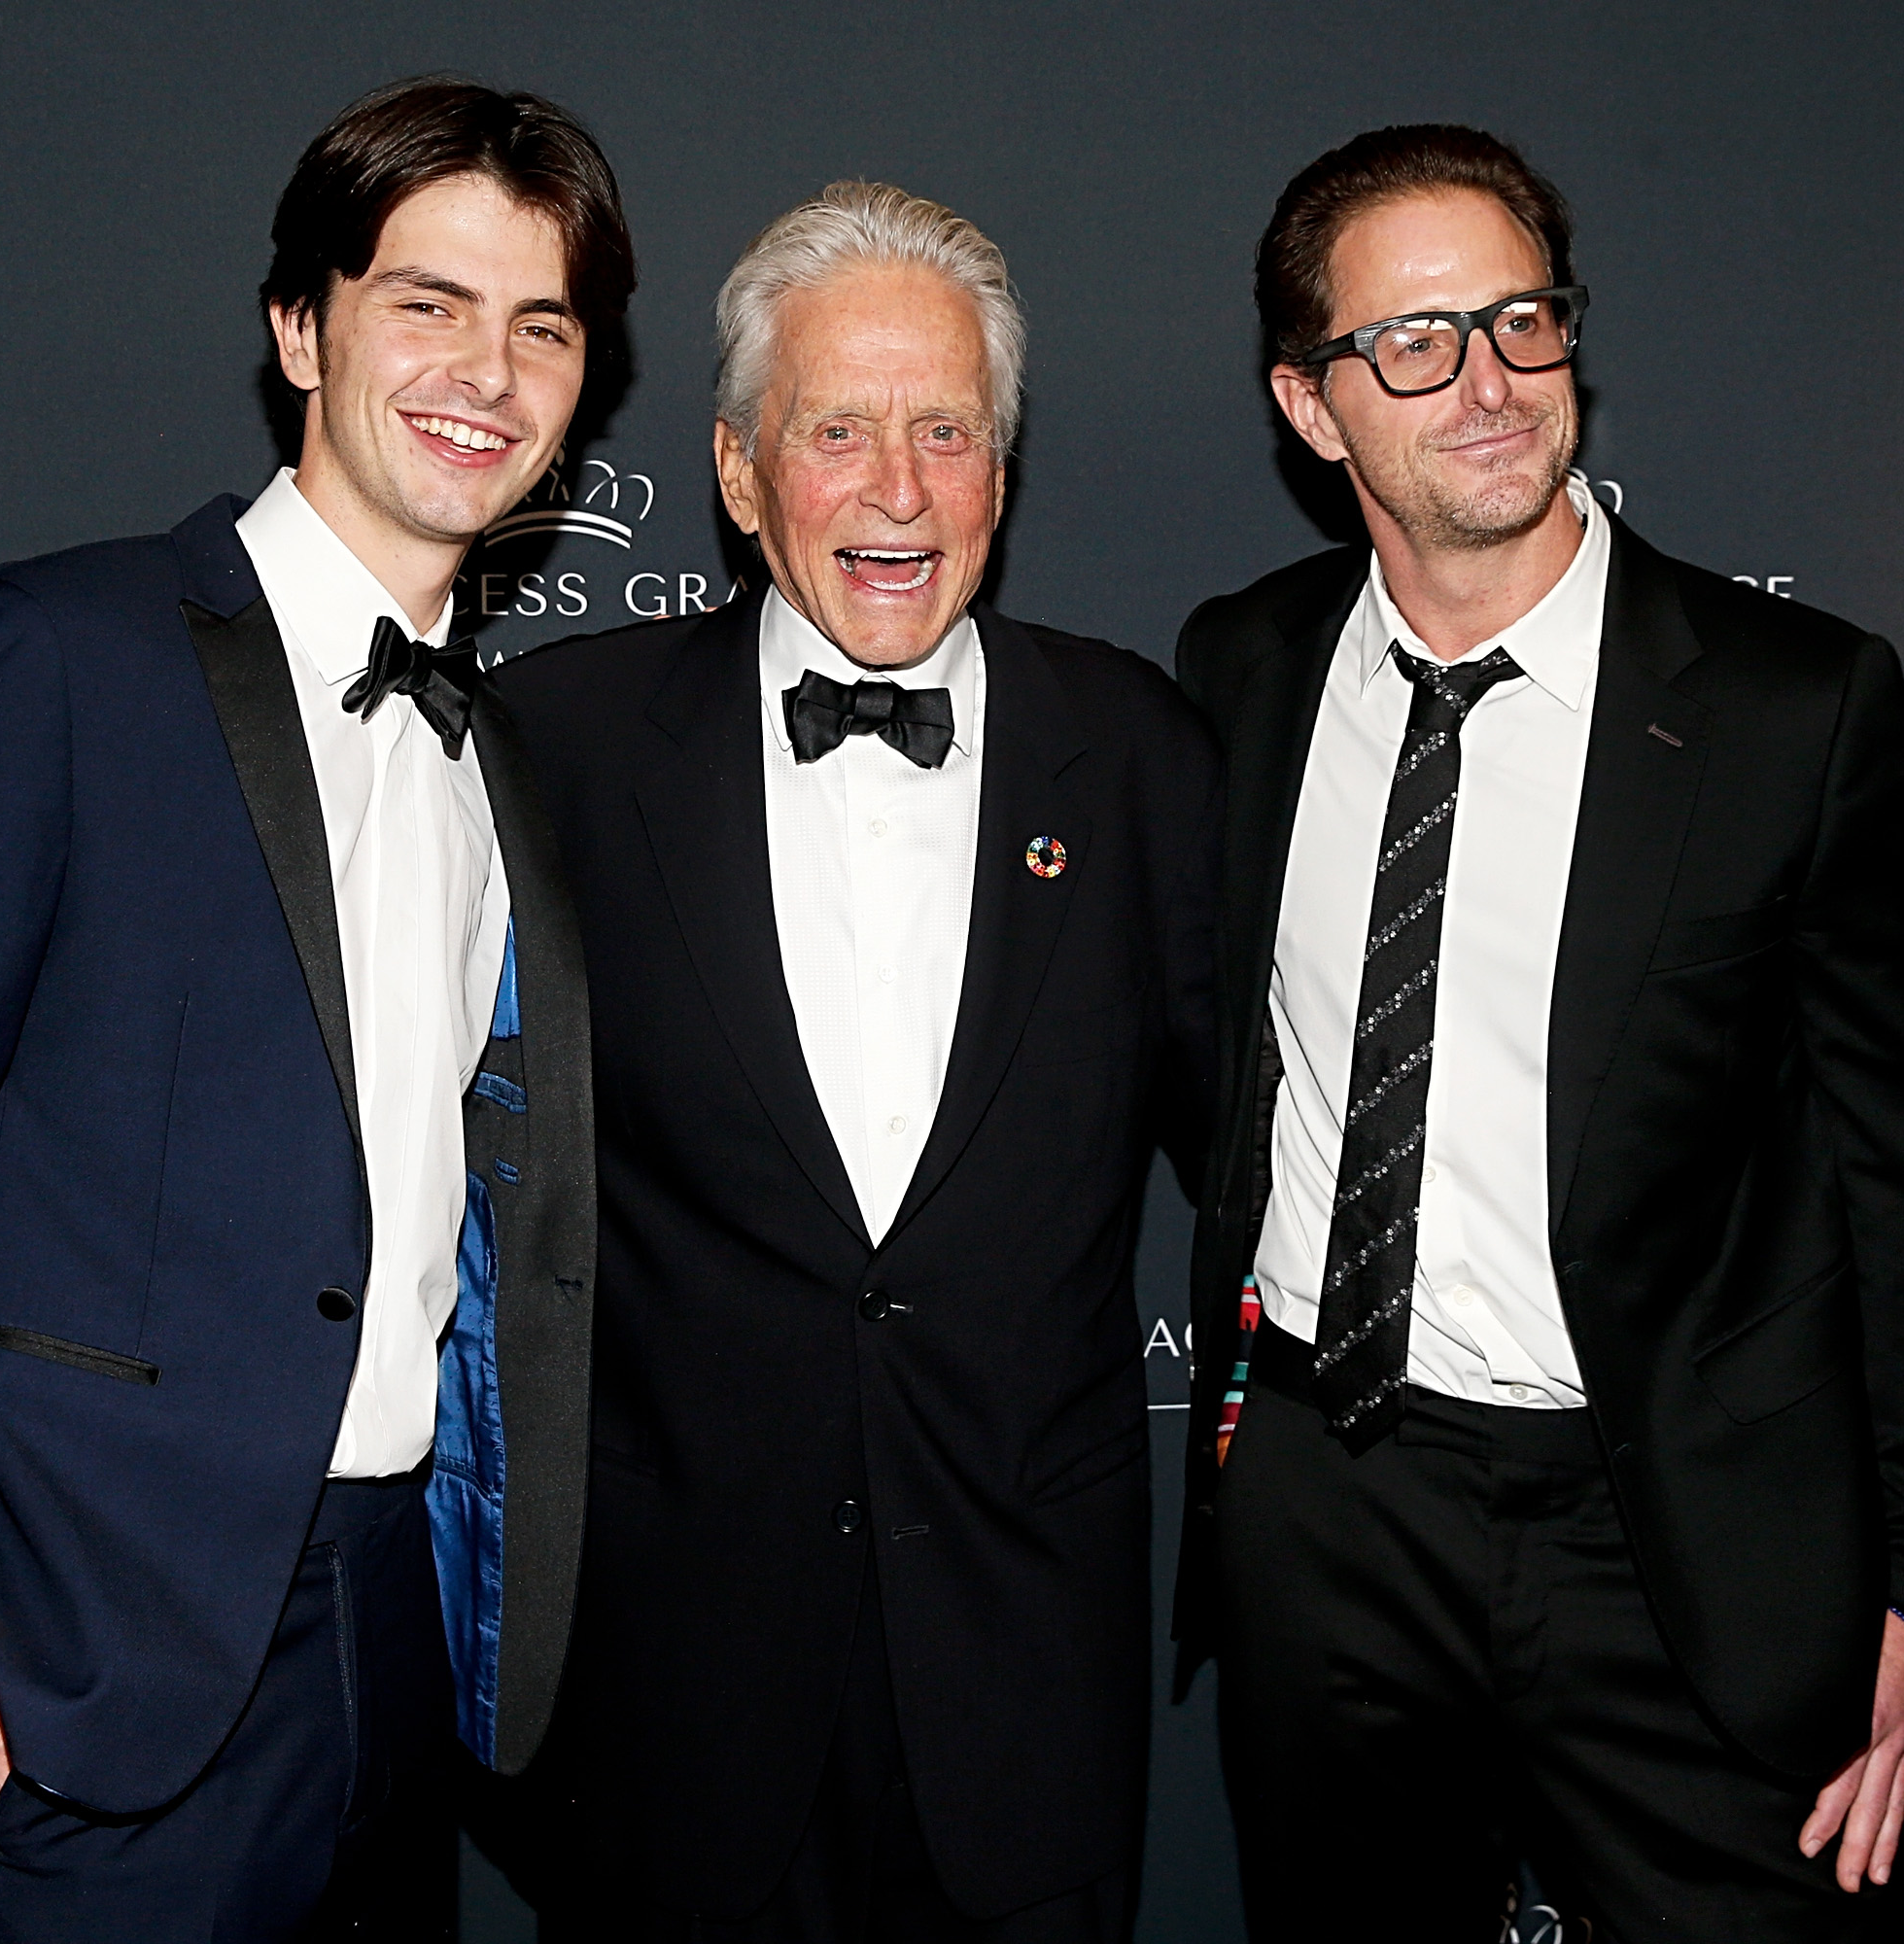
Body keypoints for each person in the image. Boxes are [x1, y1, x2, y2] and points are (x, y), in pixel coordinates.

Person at [0, 77, 624, 1939]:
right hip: (84, 1661)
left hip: (399, 1640)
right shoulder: (53, 658)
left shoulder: (505, 762)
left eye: (541, 325)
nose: (487, 369)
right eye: (426, 303)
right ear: (301, 326)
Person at [1171, 124, 1904, 1940]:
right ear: (1312, 410)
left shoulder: (1796, 708)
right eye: (1413, 342)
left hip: (1681, 1541)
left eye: (1521, 321)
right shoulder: (1241, 670)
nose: (1484, 382)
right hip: (1332, 1502)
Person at [490, 182, 1218, 1940]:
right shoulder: (556, 752)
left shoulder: (1140, 755)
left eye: (946, 431)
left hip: (1024, 1676)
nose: (898, 491)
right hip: (670, 1698)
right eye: (839, 431)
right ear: (741, 475)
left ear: (1000, 469)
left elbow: (1274, 1163)